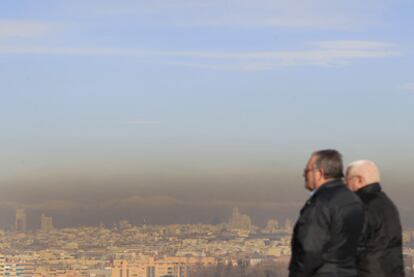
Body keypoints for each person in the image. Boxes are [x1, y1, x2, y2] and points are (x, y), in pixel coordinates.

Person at [289, 150, 365, 277]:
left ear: (320, 173)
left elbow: (309, 250)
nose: (304, 175)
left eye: (307, 171)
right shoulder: (354, 200)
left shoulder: (321, 203)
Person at [345, 160, 405, 277]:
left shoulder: (360, 207)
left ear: (359, 180)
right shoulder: (388, 205)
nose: (346, 186)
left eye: (347, 181)